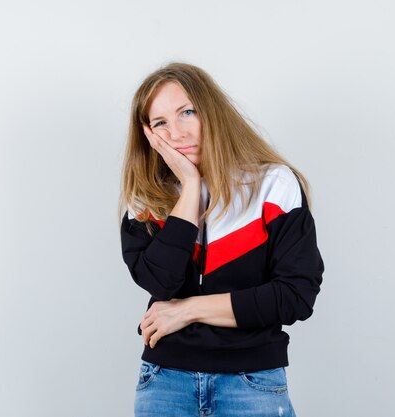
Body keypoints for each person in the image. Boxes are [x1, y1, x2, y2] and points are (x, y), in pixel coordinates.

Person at [118, 62, 324, 417]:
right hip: (165, 382)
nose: (178, 132)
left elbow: (295, 297)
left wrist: (189, 310)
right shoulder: (146, 200)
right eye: (161, 123)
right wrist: (190, 188)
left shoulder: (274, 185)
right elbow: (161, 283)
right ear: (149, 135)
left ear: (211, 111)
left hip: (251, 382)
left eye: (187, 112)